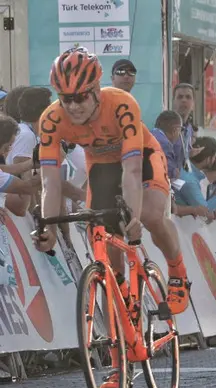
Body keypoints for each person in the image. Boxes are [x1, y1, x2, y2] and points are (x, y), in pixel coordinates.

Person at [33, 47, 191, 317]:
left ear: (96, 89)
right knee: (105, 248)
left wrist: (133, 218)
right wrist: (48, 226)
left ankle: (177, 272)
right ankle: (121, 328)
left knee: (151, 215)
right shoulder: (50, 119)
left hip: (142, 156)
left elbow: (131, 171)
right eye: (66, 99)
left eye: (80, 97)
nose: (73, 106)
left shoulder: (121, 103)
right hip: (102, 167)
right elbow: (50, 182)